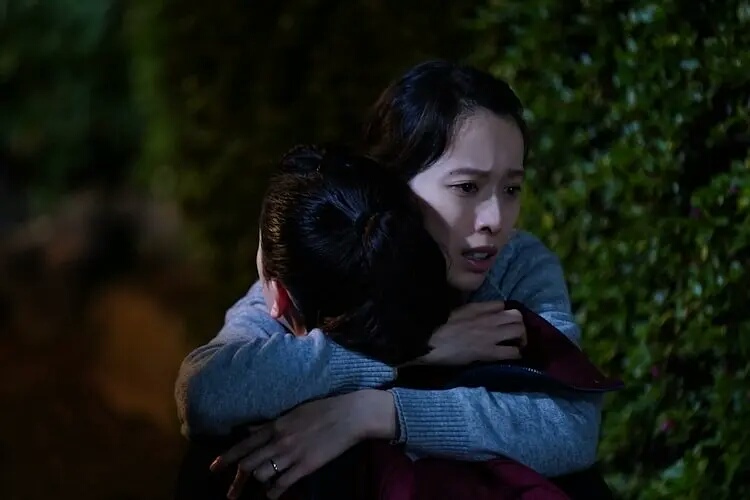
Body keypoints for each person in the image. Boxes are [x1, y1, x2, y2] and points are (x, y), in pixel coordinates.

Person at [175, 60, 605, 499]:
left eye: (511, 189)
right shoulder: (339, 260)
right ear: (397, 186)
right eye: (467, 187)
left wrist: (375, 412)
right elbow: (209, 392)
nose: (495, 219)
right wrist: (413, 350)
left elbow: (569, 429)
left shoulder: (518, 266)